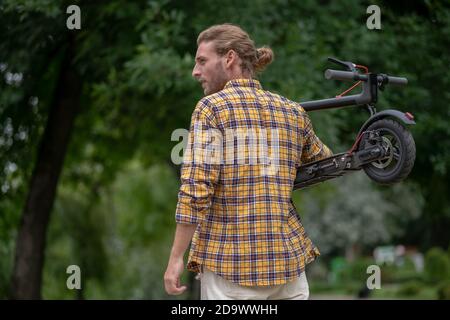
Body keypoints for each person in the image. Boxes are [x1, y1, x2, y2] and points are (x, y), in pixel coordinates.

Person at [164, 23, 332, 300]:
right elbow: (323, 162)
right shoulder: (292, 111)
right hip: (288, 267)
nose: (195, 71)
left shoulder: (210, 109)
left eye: (202, 61)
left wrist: (175, 259)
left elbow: (195, 190)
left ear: (229, 58)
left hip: (231, 269)